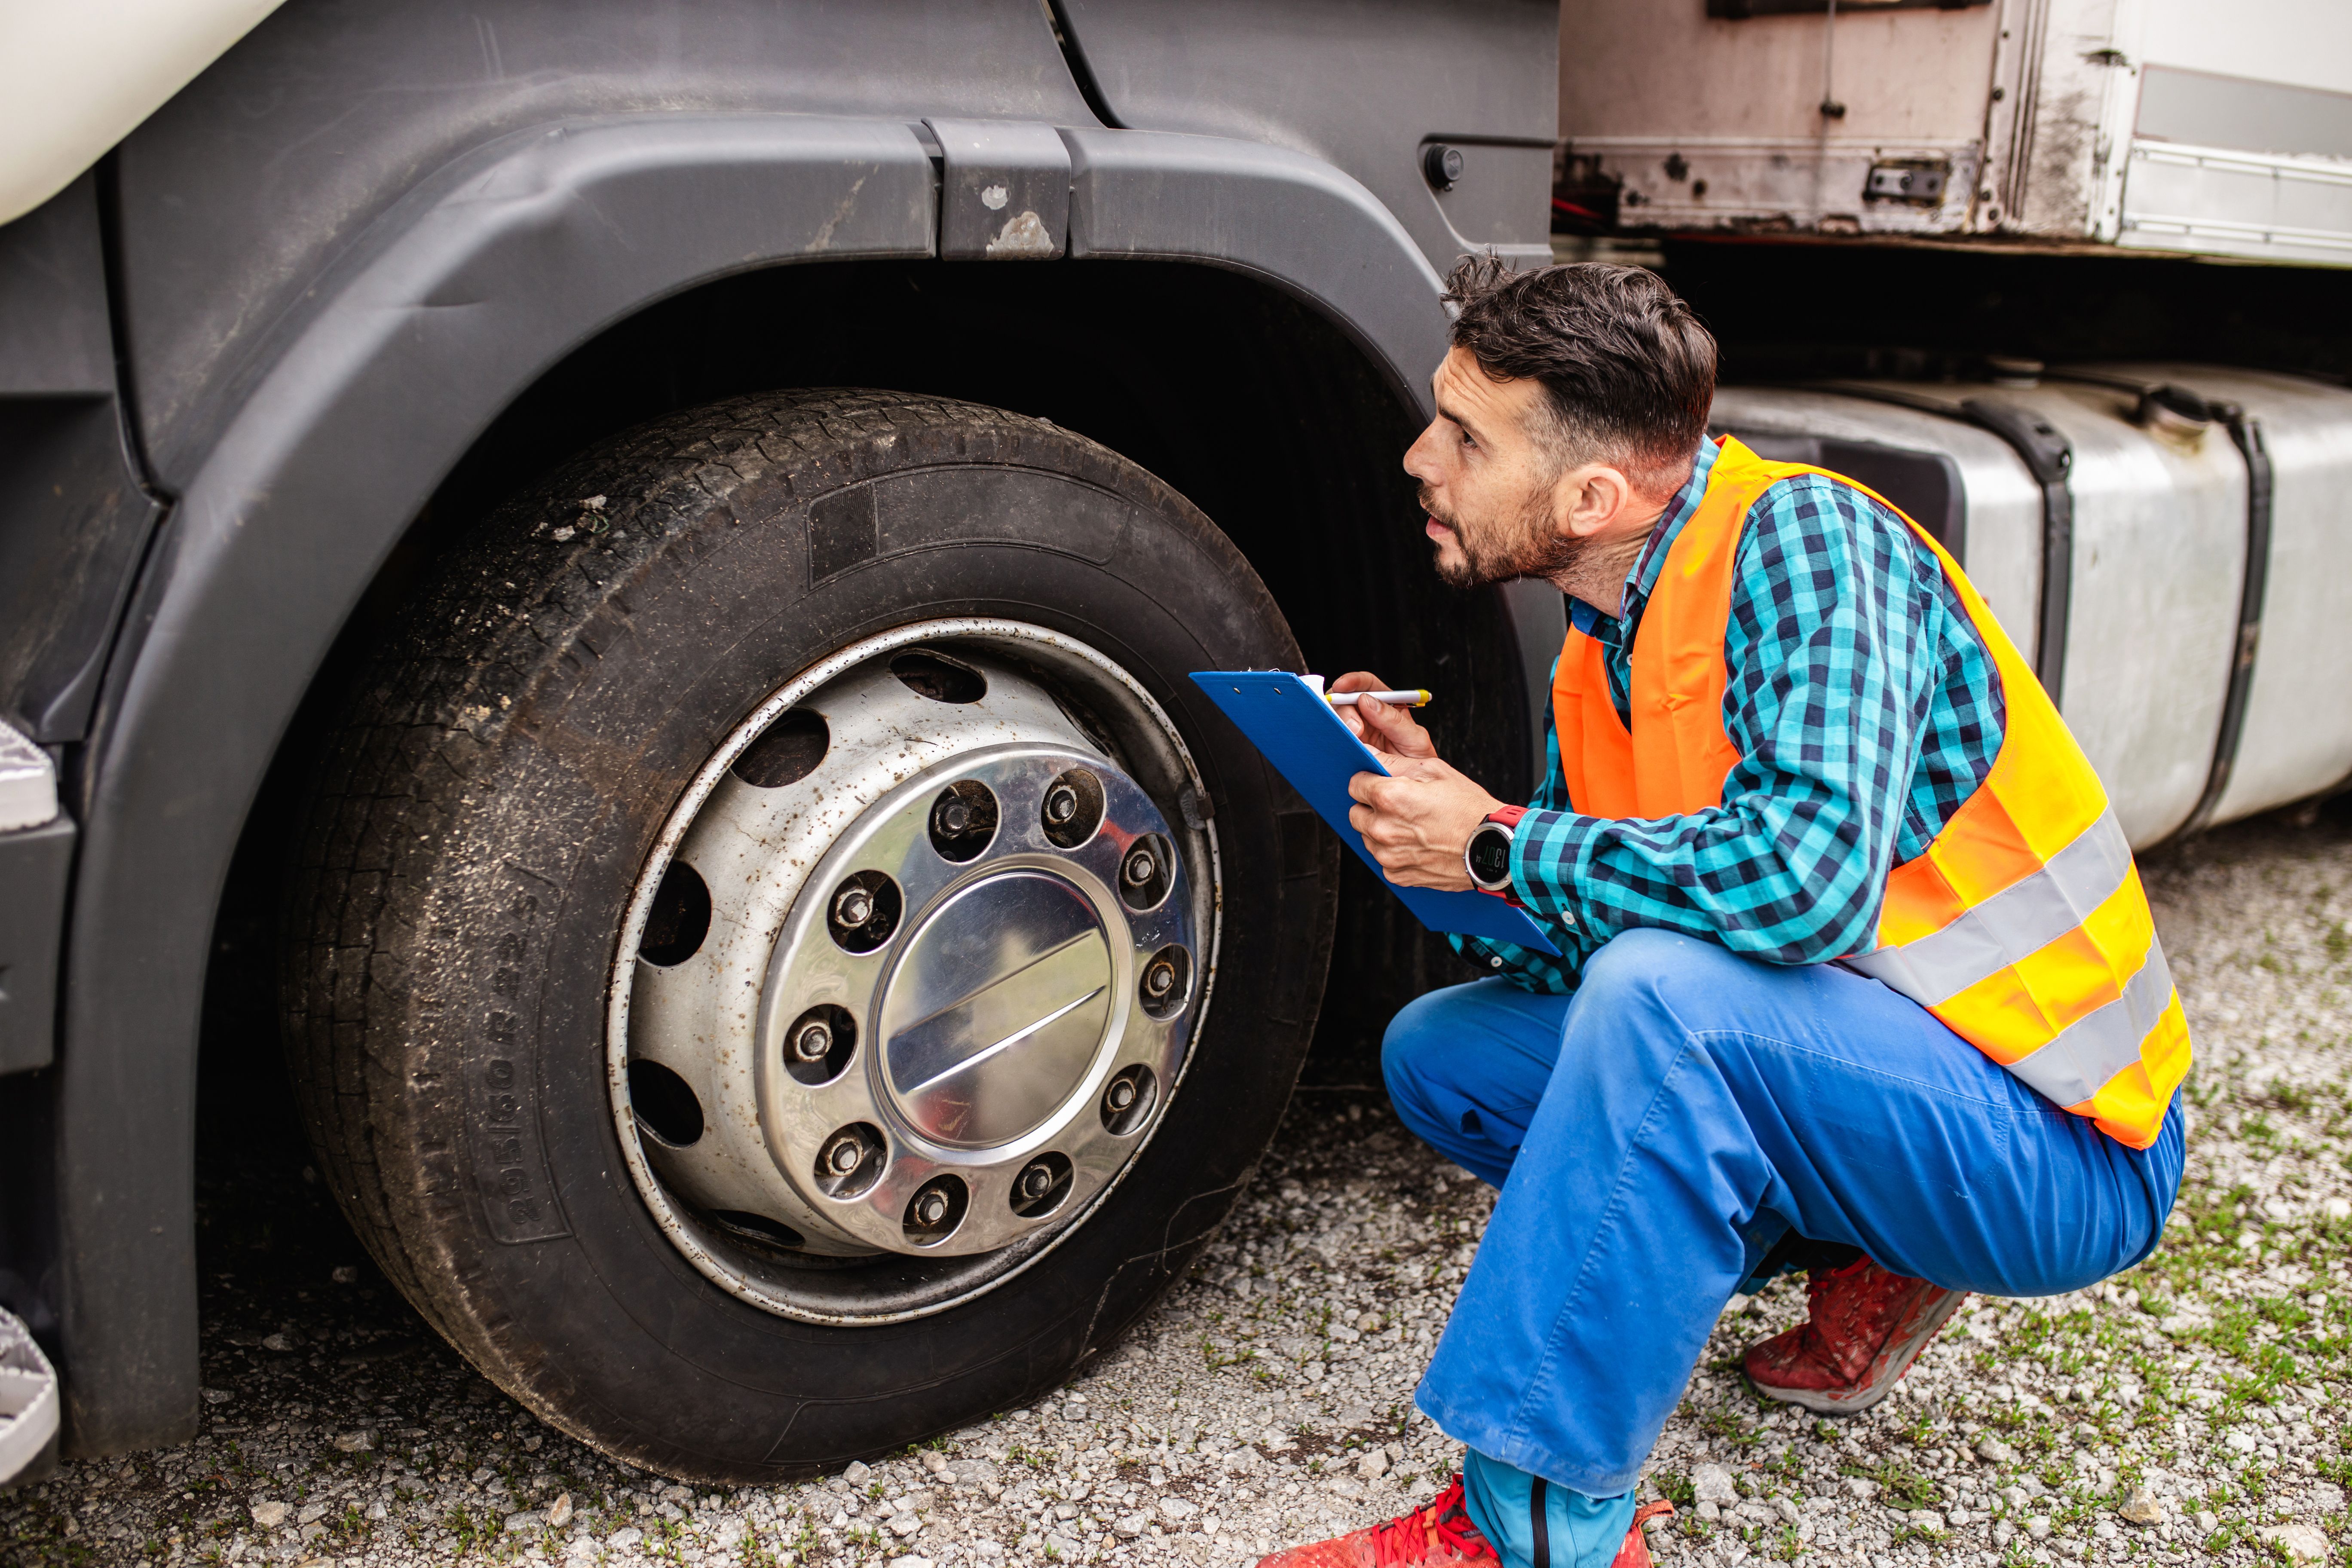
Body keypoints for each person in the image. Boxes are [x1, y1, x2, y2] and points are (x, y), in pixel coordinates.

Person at [1254, 258, 2190, 1568]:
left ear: (1592, 495)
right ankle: (1874, 1243)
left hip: (2064, 1139)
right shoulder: (1607, 633)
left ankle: (1537, 1528)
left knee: (1660, 1003)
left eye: (1464, 435)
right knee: (1443, 1055)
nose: (1420, 458)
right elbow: (1574, 918)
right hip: (1891, 1070)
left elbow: (1802, 886)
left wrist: (1497, 841)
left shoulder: (1810, 546)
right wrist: (1436, 834)